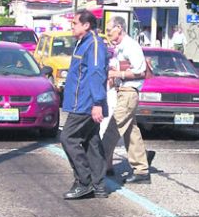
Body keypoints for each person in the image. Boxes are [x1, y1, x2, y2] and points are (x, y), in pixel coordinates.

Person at [60, 10, 110, 199]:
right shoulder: (81, 43)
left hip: (86, 104)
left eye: (74, 23)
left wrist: (97, 103)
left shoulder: (94, 44)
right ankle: (99, 186)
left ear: (86, 25)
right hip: (78, 102)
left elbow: (96, 73)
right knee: (91, 142)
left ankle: (84, 181)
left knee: (68, 138)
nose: (72, 26)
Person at [101, 16, 154, 184]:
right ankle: (141, 170)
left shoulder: (130, 46)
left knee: (113, 128)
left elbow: (140, 70)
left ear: (119, 28)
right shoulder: (118, 47)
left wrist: (117, 74)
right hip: (121, 91)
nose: (108, 33)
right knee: (131, 132)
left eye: (110, 30)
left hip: (129, 91)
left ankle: (97, 166)